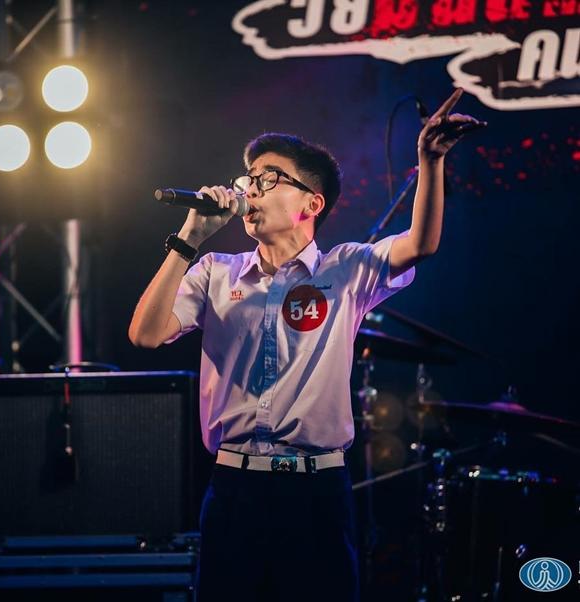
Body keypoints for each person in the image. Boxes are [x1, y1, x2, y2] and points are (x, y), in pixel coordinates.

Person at [128, 88, 486, 601]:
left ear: (310, 204)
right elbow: (145, 334)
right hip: (234, 488)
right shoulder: (215, 272)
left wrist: (430, 162)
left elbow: (420, 243)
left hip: (315, 491)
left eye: (268, 178)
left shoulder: (347, 268)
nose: (250, 188)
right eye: (248, 178)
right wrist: (189, 238)